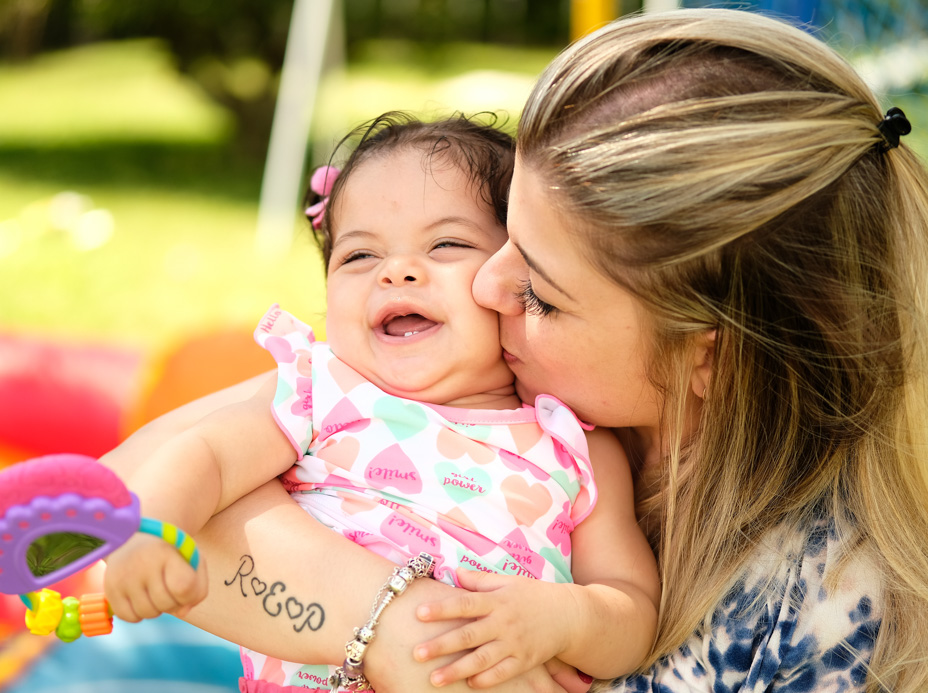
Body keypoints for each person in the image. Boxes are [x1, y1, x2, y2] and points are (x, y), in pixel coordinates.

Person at [101, 8, 928, 692]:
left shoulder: (807, 614)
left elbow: (622, 612)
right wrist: (389, 625)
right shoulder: (352, 387)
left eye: (539, 290)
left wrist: (546, 624)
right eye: (505, 242)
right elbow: (120, 491)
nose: (488, 287)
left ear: (706, 358)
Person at [102, 113, 659, 692]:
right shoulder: (321, 391)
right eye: (359, 256)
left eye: (446, 244)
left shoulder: (573, 445)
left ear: (513, 275)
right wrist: (151, 529)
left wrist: (567, 618)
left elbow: (633, 609)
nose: (396, 272)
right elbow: (208, 456)